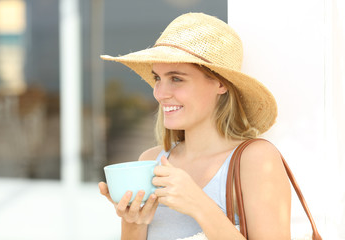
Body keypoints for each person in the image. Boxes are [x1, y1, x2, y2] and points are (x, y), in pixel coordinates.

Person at [98, 12, 291, 240]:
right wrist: (133, 222)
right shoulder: (150, 161)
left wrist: (199, 204)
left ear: (220, 83)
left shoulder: (255, 159)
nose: (159, 93)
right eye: (158, 78)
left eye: (176, 78)